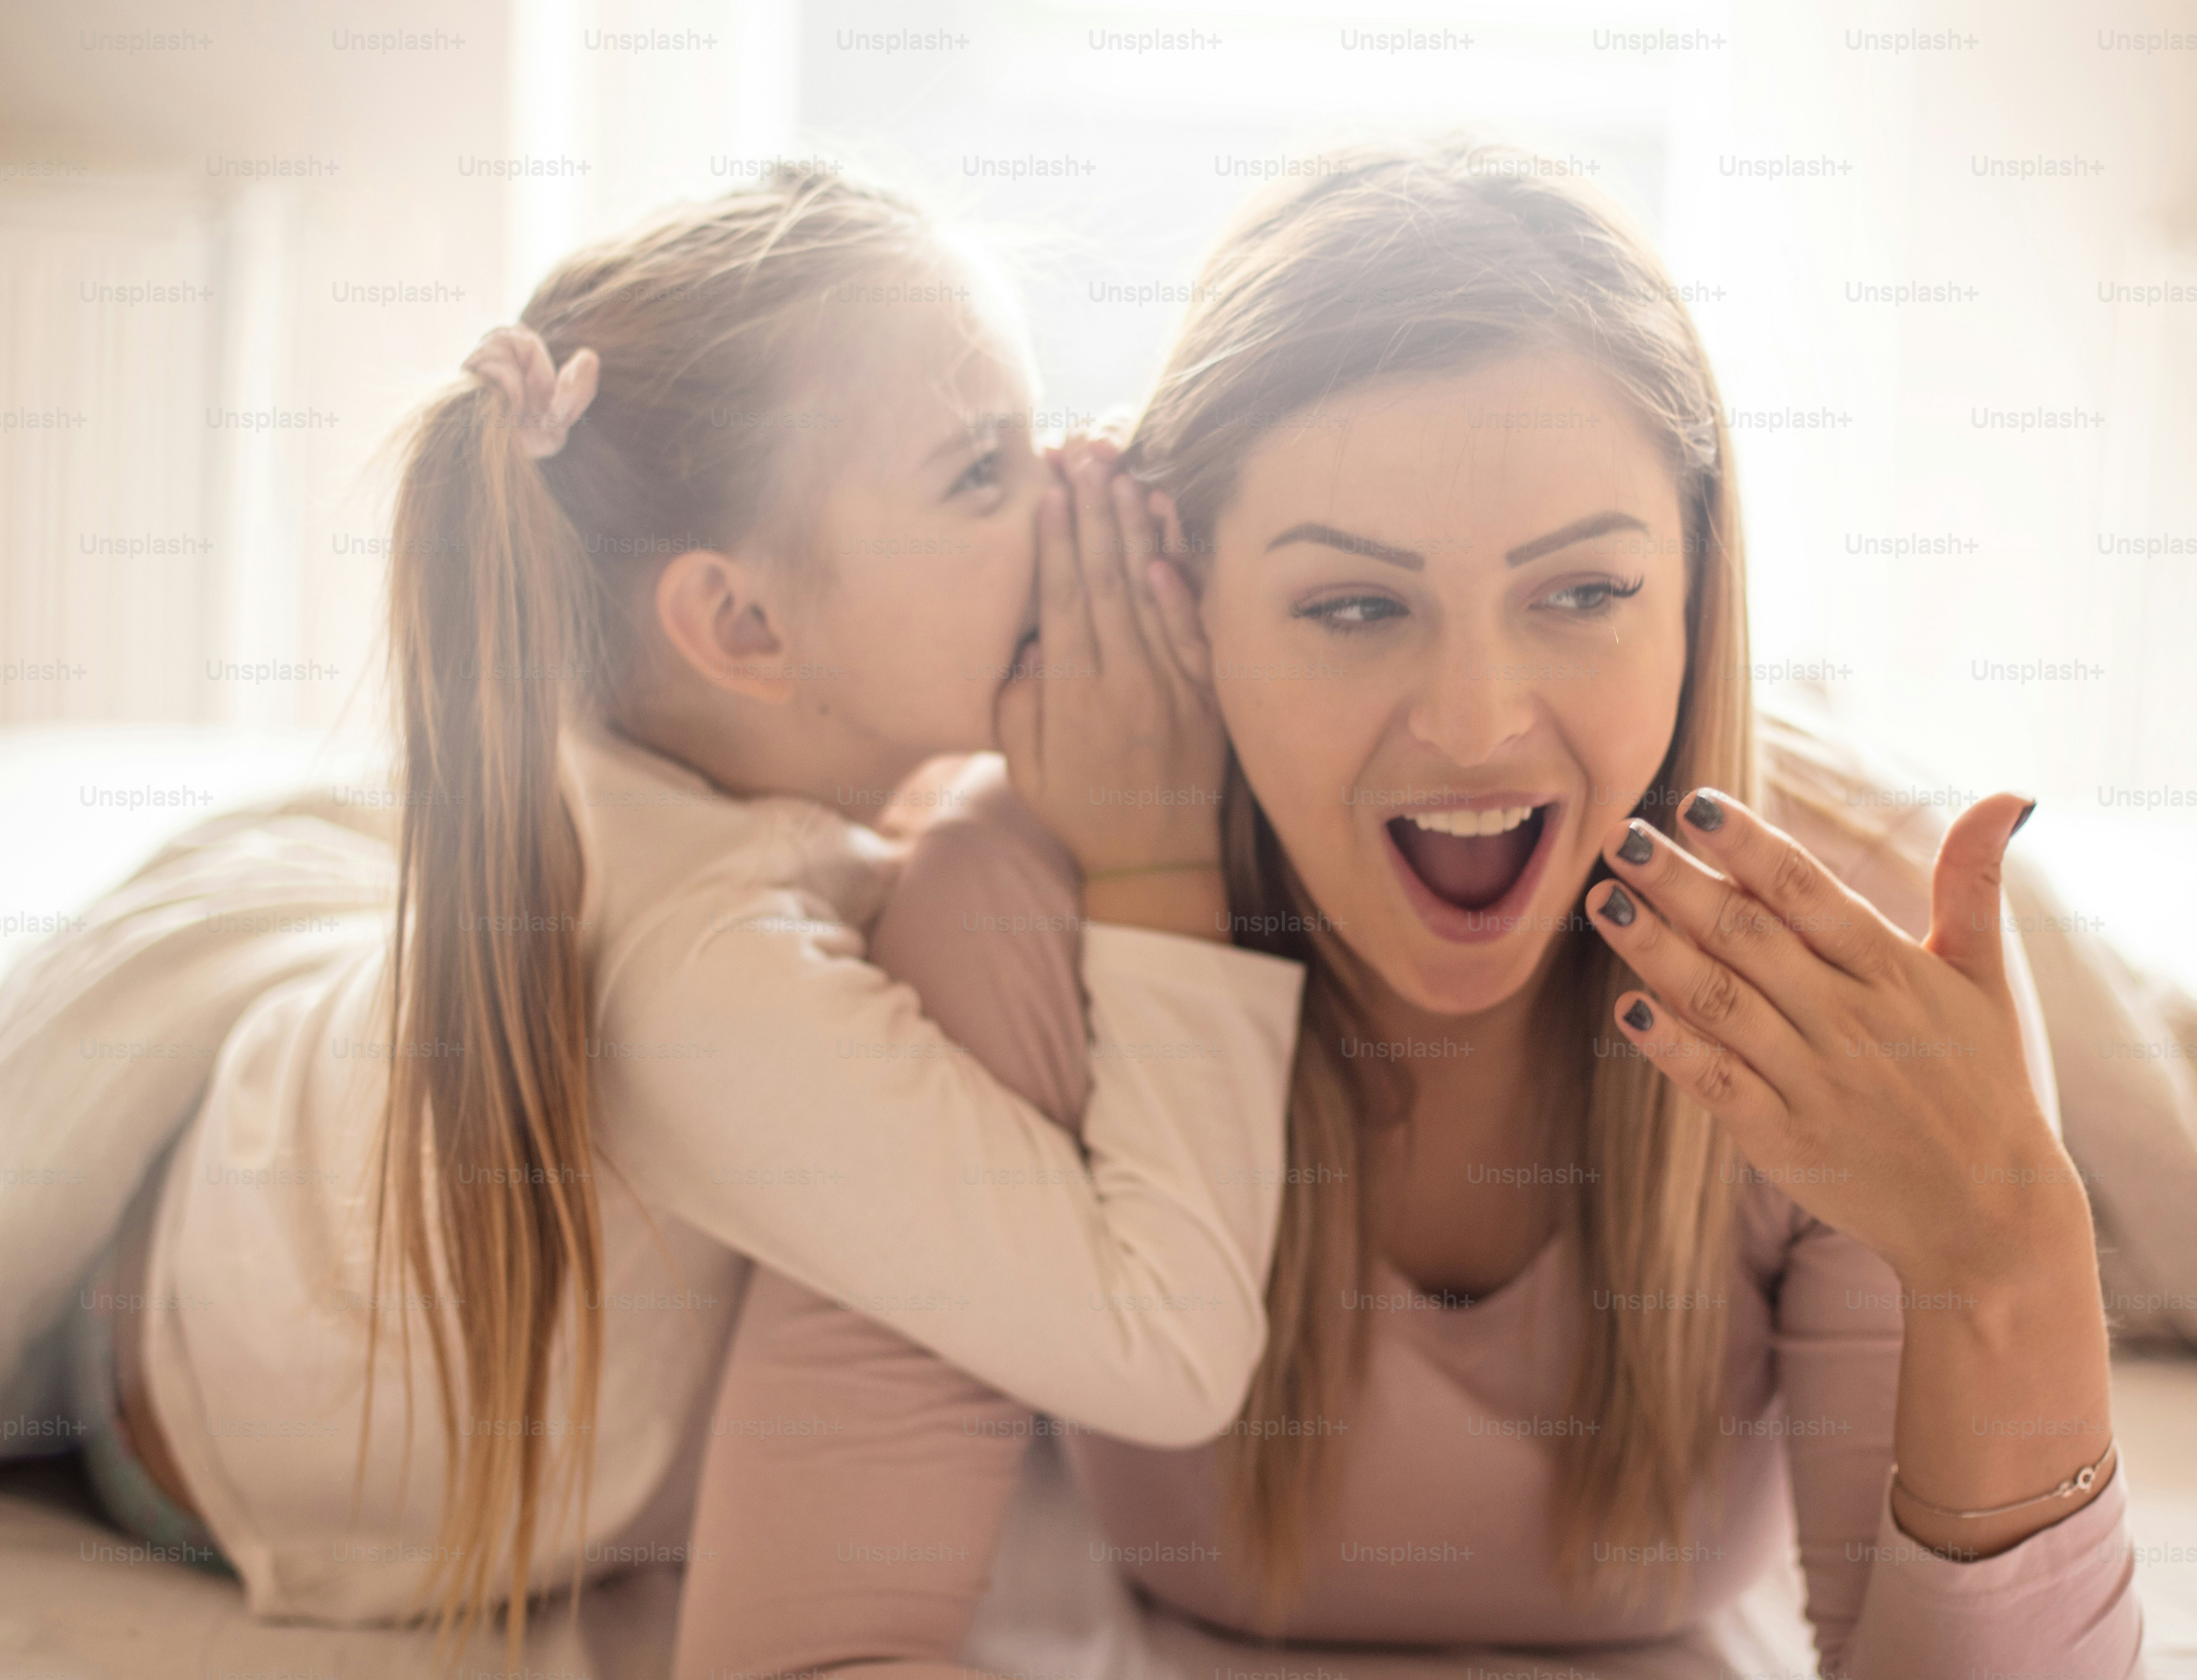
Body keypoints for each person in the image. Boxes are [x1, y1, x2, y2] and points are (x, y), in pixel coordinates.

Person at [675, 139, 2143, 1680]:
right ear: (1192, 595)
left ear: (1702, 591)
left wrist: (2020, 1260)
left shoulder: (1856, 936)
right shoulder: (1012, 907)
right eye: (1354, 606)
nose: (1472, 724)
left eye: (1583, 593)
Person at [75, 165, 1300, 1663]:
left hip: (264, 1175)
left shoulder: (669, 769)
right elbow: (1169, 1348)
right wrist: (1160, 864)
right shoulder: (710, 986)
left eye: (1037, 428)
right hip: (180, 1431)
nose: (1075, 487)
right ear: (742, 626)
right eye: (984, 471)